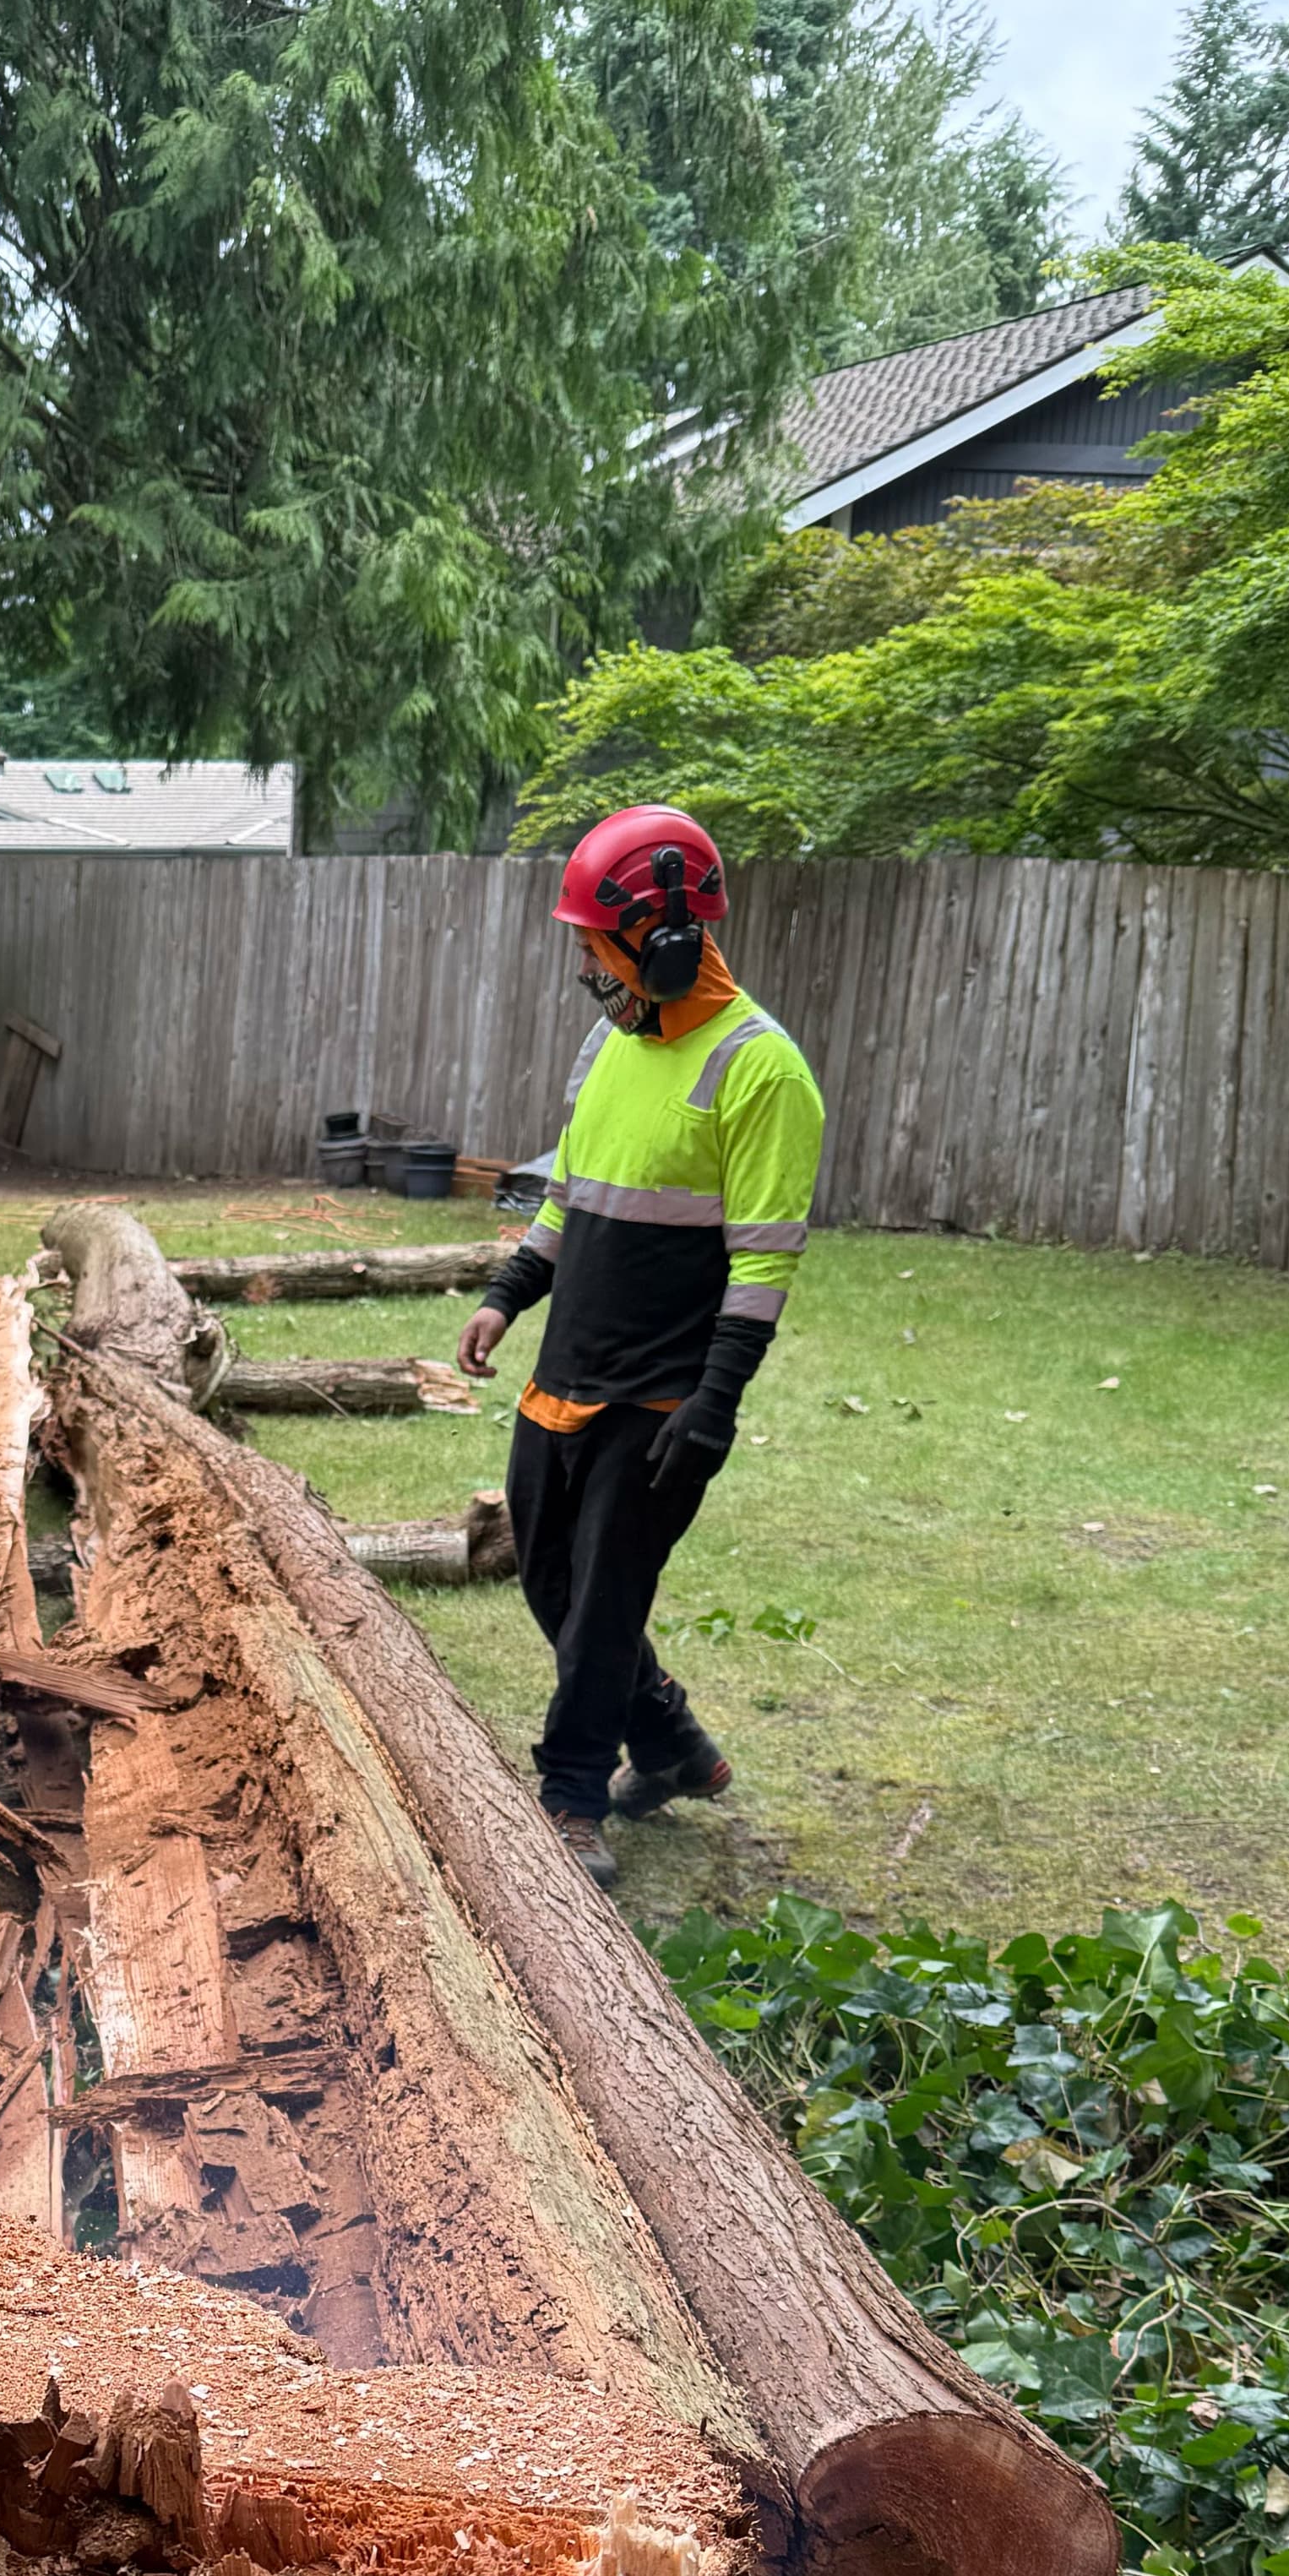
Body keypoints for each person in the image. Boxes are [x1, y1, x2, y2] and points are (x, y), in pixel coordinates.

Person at [454, 805, 824, 1890]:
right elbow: (573, 1194)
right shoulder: (611, 1046)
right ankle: (669, 1742)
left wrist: (714, 1405)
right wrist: (508, 1292)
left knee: (607, 1599)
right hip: (565, 1370)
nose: (584, 969)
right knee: (552, 1582)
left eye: (593, 946)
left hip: (662, 1394)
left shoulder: (764, 1073)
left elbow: (762, 1264)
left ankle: (570, 1798)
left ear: (661, 940)